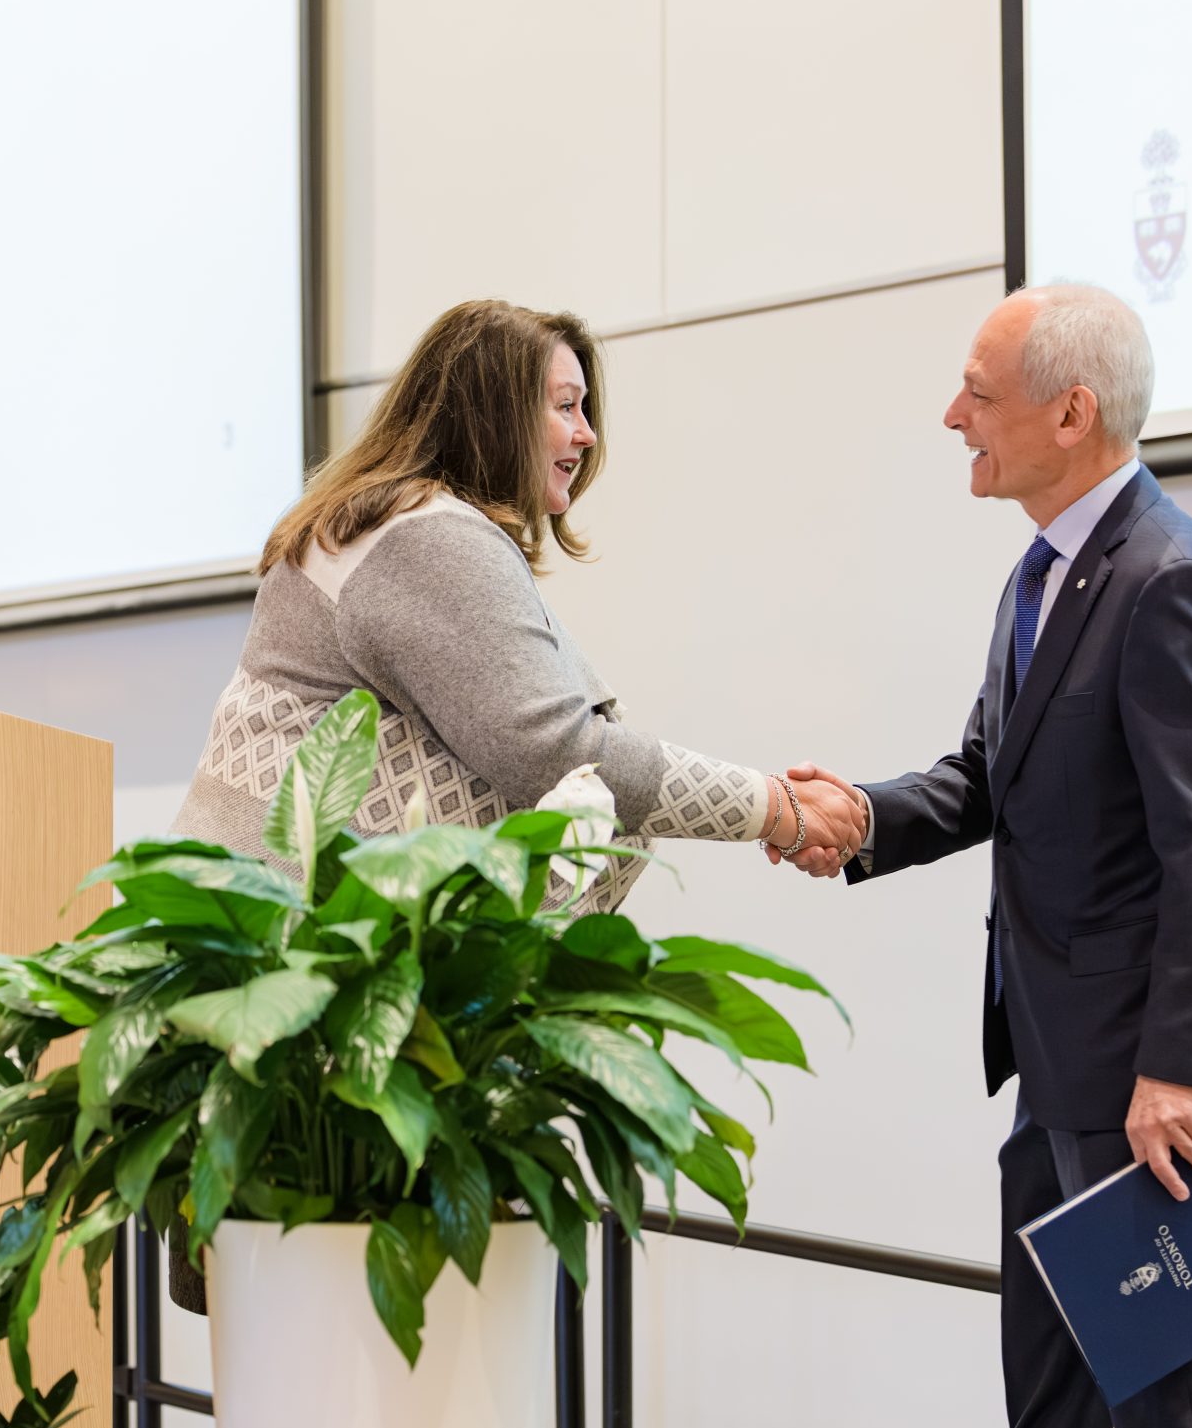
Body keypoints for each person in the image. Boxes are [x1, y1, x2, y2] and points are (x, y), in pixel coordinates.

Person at [163, 299, 865, 1309]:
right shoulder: (425, 537)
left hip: (279, 1003)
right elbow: (560, 755)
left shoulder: (387, 522)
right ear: (490, 407)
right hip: (318, 1023)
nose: (586, 437)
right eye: (565, 406)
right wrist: (771, 807)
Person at [773, 284, 1192, 1428]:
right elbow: (991, 772)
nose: (953, 417)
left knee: (1180, 1403)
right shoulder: (1040, 573)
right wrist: (865, 815)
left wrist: (1182, 1065)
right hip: (1056, 1060)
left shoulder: (1172, 575)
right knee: (1049, 1378)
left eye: (977, 395)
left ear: (1071, 410)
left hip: (1143, 1081)